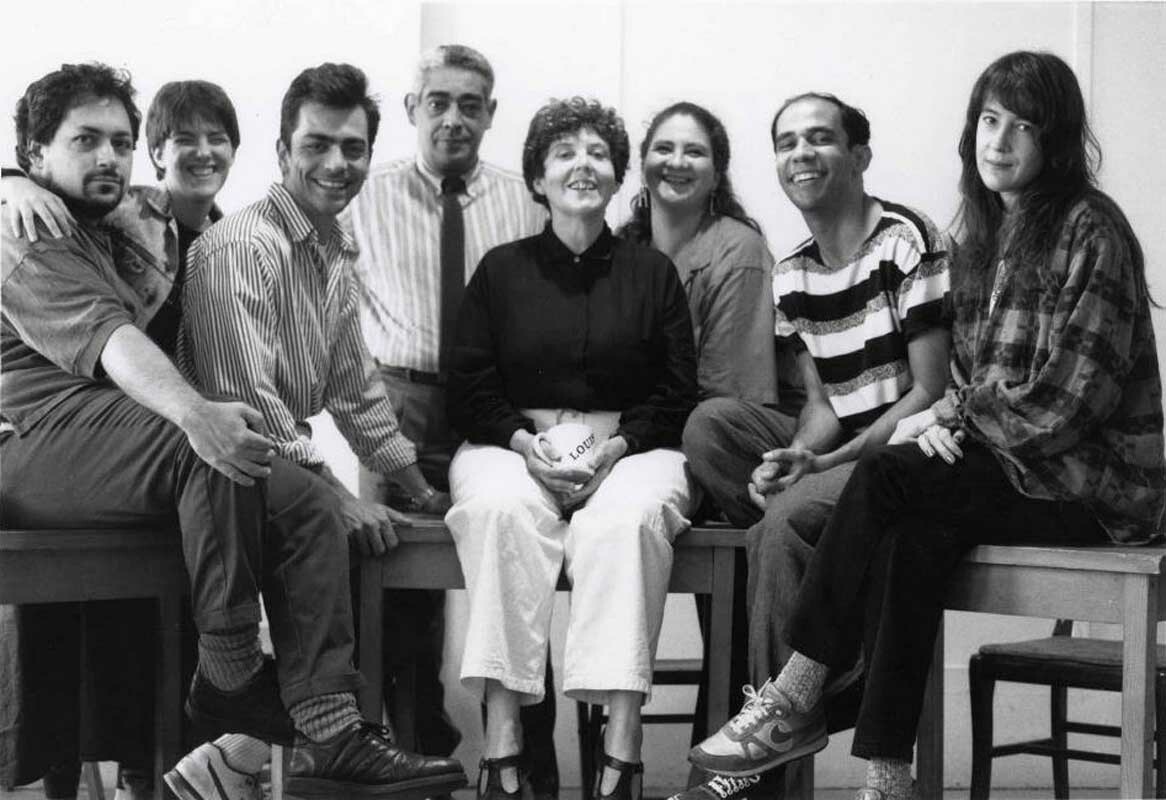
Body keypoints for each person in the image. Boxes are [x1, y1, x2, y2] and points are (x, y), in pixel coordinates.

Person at [690, 51, 1166, 800]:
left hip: (1094, 494)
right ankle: (887, 776)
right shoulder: (981, 241)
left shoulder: (1091, 229)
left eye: (1023, 125)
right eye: (988, 119)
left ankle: (795, 689)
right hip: (1017, 472)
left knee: (885, 475)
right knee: (908, 538)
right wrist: (946, 421)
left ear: (1058, 138)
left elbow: (1073, 401)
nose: (998, 141)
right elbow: (973, 383)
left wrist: (952, 420)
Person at [0, 62, 465, 800]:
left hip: (121, 439)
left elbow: (355, 387)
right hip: (39, 437)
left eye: (119, 142)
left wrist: (412, 487)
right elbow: (119, 342)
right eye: (86, 141)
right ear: (35, 156)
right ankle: (231, 672)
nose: (108, 158)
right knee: (217, 441)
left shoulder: (133, 222)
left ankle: (331, 727)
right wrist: (197, 414)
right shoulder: (24, 223)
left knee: (306, 503)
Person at [177, 61, 470, 799]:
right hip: (218, 465)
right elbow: (245, 404)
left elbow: (356, 388)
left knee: (390, 532)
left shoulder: (333, 249)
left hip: (271, 462)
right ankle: (321, 740)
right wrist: (338, 493)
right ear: (282, 152)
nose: (337, 164)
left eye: (353, 147)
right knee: (325, 518)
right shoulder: (243, 247)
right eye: (317, 145)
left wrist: (415, 485)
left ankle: (288, 747)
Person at [677, 93, 951, 800]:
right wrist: (799, 454)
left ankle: (767, 760)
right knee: (712, 428)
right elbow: (824, 403)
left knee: (778, 527)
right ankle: (838, 641)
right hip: (844, 452)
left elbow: (929, 392)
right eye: (787, 141)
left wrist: (824, 468)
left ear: (859, 156)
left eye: (820, 138)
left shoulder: (905, 240)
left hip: (909, 456)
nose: (801, 153)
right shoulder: (794, 270)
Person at [445, 97, 697, 800]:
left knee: (626, 522)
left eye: (597, 153)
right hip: (511, 442)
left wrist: (617, 449)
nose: (582, 164)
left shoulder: (654, 274)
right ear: (537, 179)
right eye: (564, 153)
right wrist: (523, 444)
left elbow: (678, 391)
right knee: (496, 510)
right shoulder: (500, 270)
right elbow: (467, 384)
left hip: (633, 447)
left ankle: (622, 751)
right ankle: (503, 747)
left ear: (618, 176)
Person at [0, 78, 241, 800]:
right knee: (76, 637)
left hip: (150, 449)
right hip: (104, 435)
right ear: (161, 153)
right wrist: (8, 180)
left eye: (218, 138)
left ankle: (161, 772)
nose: (201, 153)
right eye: (182, 140)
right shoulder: (99, 218)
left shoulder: (223, 237)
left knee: (155, 631)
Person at [342, 44, 556, 790]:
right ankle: (410, 748)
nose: (454, 118)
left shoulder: (527, 198)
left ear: (492, 114)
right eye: (438, 101)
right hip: (395, 404)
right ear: (411, 109)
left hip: (494, 411)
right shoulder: (362, 192)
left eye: (471, 103)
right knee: (395, 584)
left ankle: (532, 756)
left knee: (520, 563)